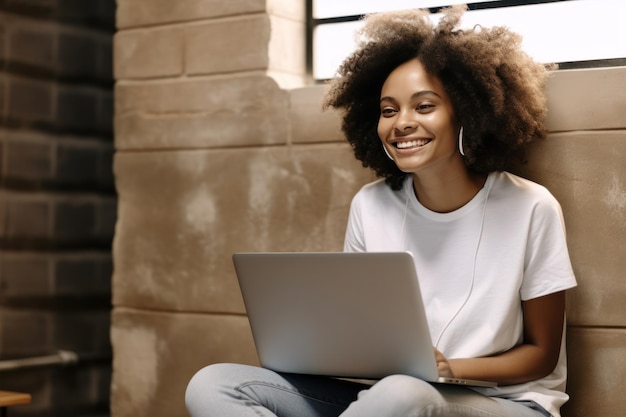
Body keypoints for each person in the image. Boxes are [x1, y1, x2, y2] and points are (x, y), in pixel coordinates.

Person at [185, 5, 577, 417]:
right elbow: (364, 335)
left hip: (506, 404)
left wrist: (447, 369)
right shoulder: (371, 206)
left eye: (424, 107)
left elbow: (542, 355)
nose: (401, 123)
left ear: (468, 113)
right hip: (387, 398)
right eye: (389, 110)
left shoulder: (531, 207)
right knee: (213, 384)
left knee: (404, 394)